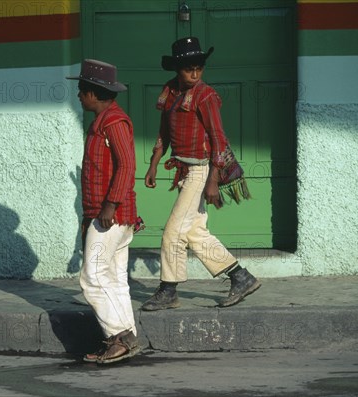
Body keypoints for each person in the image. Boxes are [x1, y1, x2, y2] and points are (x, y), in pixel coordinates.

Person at [141, 37, 261, 311]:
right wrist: (153, 163)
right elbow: (163, 132)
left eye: (199, 68)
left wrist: (213, 180)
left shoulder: (206, 96)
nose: (195, 74)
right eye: (188, 69)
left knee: (172, 232)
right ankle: (241, 277)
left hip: (202, 170)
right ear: (177, 69)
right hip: (184, 169)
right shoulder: (170, 92)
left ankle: (168, 290)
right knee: (194, 232)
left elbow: (218, 139)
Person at [66, 59, 141, 364]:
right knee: (113, 278)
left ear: (94, 93)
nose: (79, 97)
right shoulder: (102, 123)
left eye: (81, 91)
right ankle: (126, 337)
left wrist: (109, 205)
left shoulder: (114, 122)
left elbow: (127, 165)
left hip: (112, 215)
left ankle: (119, 337)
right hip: (104, 216)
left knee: (92, 278)